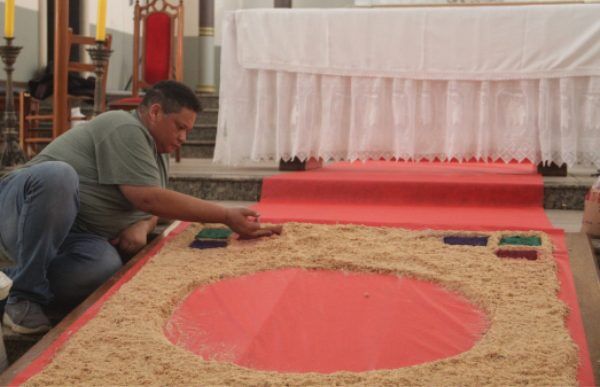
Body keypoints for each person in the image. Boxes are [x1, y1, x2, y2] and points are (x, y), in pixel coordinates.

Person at [0, 80, 273, 334]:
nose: (183, 138)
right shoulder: (125, 127)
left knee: (103, 268)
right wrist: (225, 214)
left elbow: (153, 206)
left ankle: (13, 280)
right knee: (59, 176)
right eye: (179, 127)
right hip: (21, 213)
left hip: (76, 236)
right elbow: (149, 198)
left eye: (188, 131)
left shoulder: (157, 154)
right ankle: (23, 296)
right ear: (155, 112)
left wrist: (143, 224)